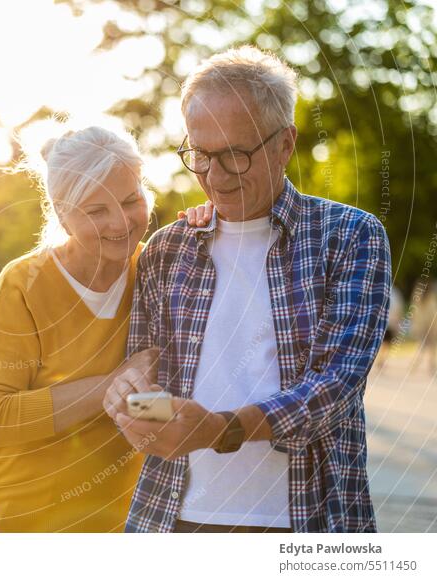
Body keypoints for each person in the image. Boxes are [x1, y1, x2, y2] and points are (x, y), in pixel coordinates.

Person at [105, 46, 391, 533]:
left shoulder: (350, 237)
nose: (213, 177)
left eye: (235, 155)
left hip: (308, 520)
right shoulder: (165, 250)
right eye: (200, 154)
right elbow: (149, 373)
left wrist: (222, 430)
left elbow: (336, 387)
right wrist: (129, 400)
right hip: (174, 518)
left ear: (285, 144)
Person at [0, 126, 212, 532]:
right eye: (96, 210)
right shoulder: (22, 285)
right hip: (26, 520)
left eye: (130, 200)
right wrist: (110, 385)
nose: (120, 222)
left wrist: (211, 233)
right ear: (63, 216)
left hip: (124, 523)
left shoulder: (156, 270)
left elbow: (156, 403)